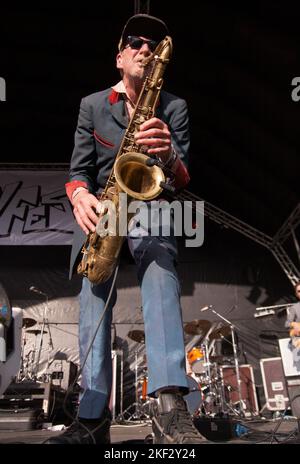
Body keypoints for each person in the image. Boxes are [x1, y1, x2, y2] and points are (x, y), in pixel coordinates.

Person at [45, 14, 208, 445]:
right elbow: (78, 173)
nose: (145, 48)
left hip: (151, 206)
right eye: (135, 42)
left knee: (160, 270)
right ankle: (93, 415)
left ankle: (170, 404)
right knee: (91, 294)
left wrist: (170, 156)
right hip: (105, 208)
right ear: (119, 57)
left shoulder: (174, 108)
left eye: (152, 44)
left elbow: (182, 178)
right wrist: (81, 196)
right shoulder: (92, 105)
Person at [285, 282, 300, 367]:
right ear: (296, 294)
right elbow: (287, 324)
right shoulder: (294, 308)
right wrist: (294, 324)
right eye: (299, 291)